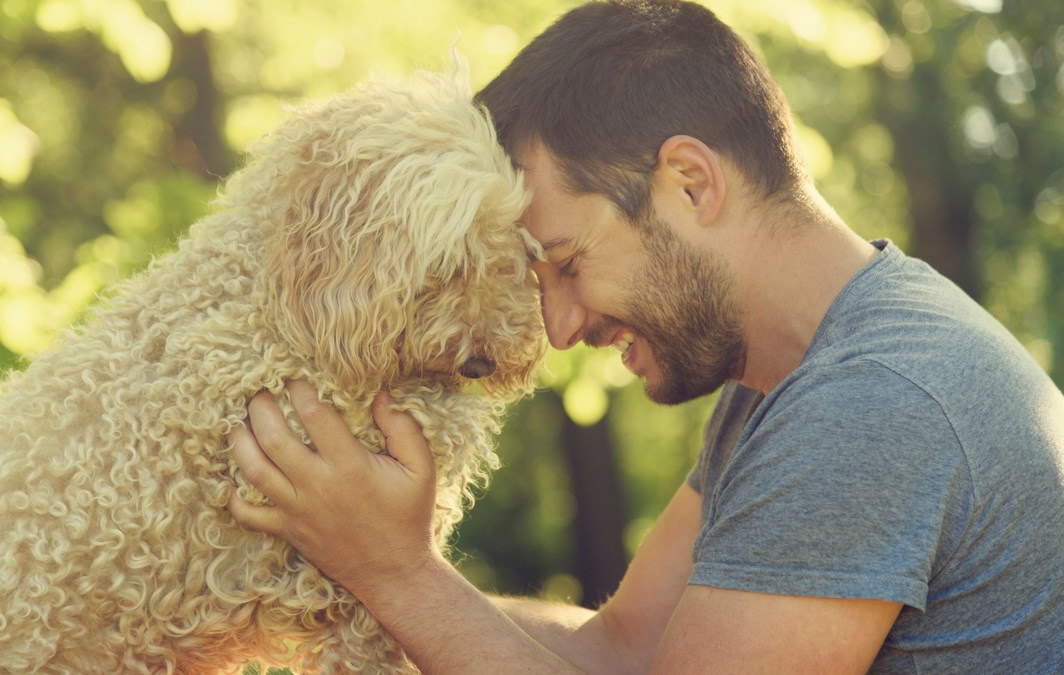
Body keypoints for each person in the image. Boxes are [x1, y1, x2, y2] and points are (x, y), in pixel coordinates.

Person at [227, 0, 1064, 671]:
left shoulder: (872, 405)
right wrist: (338, 586)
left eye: (567, 262)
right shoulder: (785, 383)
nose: (558, 328)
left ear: (690, 183)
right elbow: (622, 648)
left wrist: (397, 573)